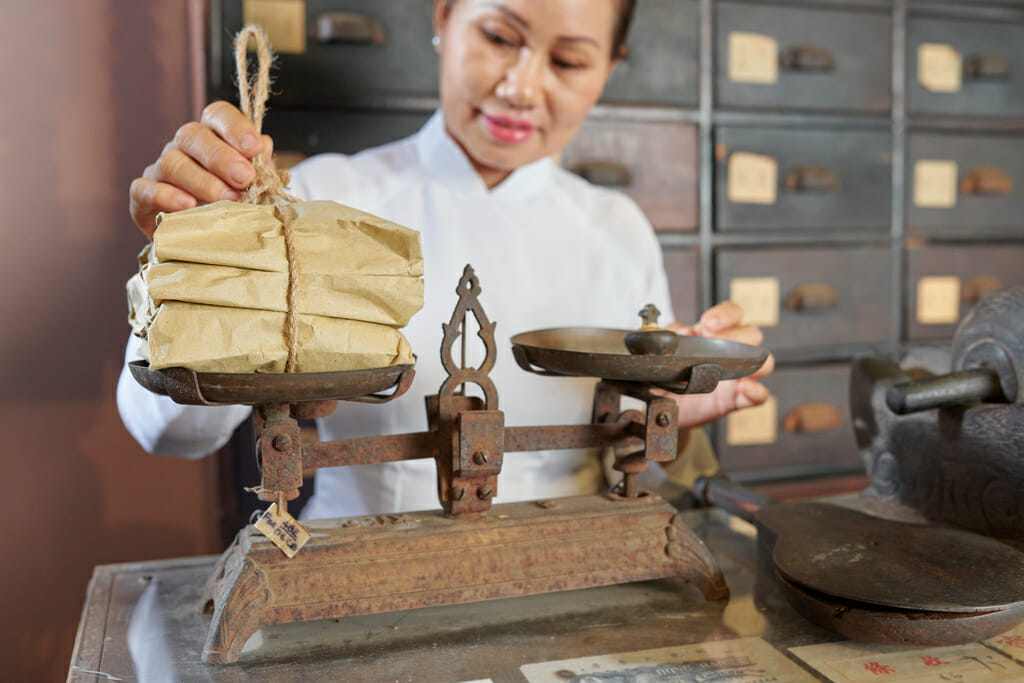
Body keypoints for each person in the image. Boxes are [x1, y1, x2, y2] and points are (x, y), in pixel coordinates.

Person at [119, 0, 774, 519]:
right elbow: (167, 430)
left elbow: (649, 472)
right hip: (359, 576)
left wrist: (673, 408)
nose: (522, 87)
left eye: (570, 61)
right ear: (443, 16)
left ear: (610, 66)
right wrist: (206, 255)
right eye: (497, 36)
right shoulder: (315, 199)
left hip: (569, 578)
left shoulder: (620, 230)